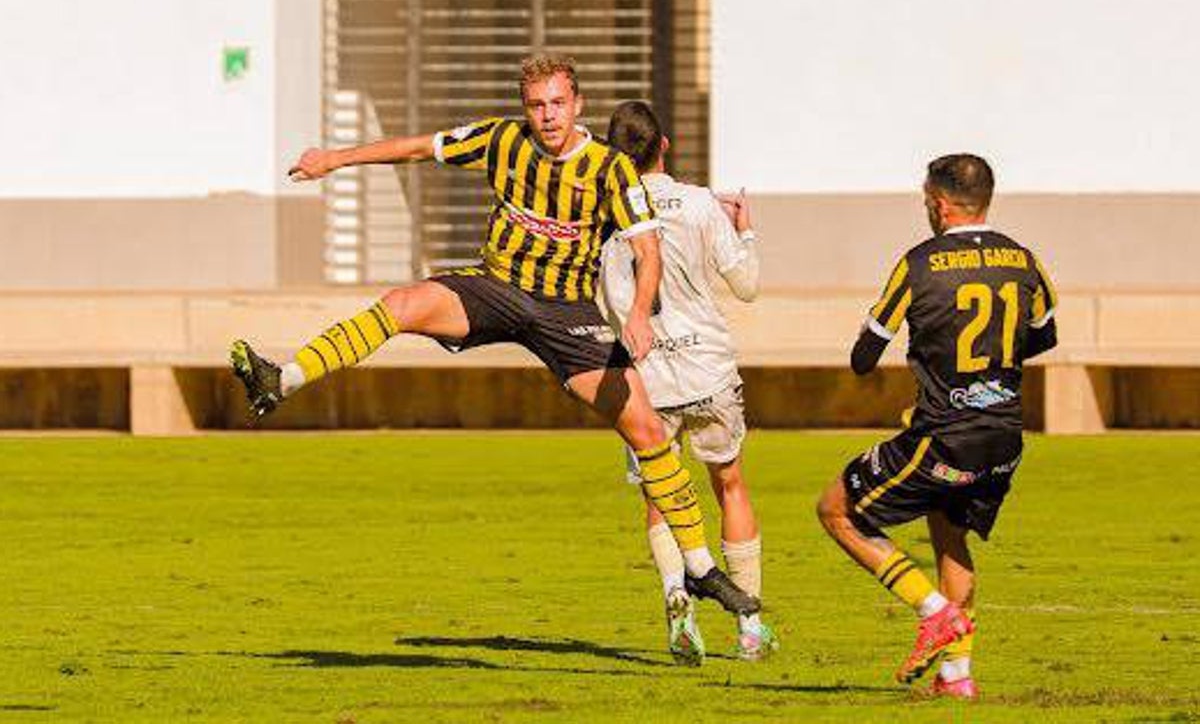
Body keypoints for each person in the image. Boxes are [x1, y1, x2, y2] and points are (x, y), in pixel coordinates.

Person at [230, 54, 759, 620]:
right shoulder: (501, 141)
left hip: (566, 313)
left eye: (558, 103)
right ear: (525, 109)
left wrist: (637, 318)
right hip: (499, 290)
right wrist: (334, 159)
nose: (548, 116)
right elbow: (415, 148)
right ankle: (281, 379)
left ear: (577, 104)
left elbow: (647, 251)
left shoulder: (611, 170)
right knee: (402, 305)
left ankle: (700, 569)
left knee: (647, 430)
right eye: (537, 105)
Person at [815, 153, 1058, 699]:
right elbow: (1043, 335)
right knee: (950, 537)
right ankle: (957, 677)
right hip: (1004, 438)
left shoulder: (920, 263)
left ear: (941, 204)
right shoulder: (1024, 260)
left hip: (945, 434)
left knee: (836, 510)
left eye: (928, 201)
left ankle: (933, 611)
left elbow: (863, 356)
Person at [599, 101, 778, 666]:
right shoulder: (701, 203)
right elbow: (746, 286)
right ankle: (749, 623)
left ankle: (679, 603)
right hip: (708, 368)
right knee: (730, 484)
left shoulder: (604, 213)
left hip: (645, 377)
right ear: (665, 146)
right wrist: (744, 233)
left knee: (661, 494)